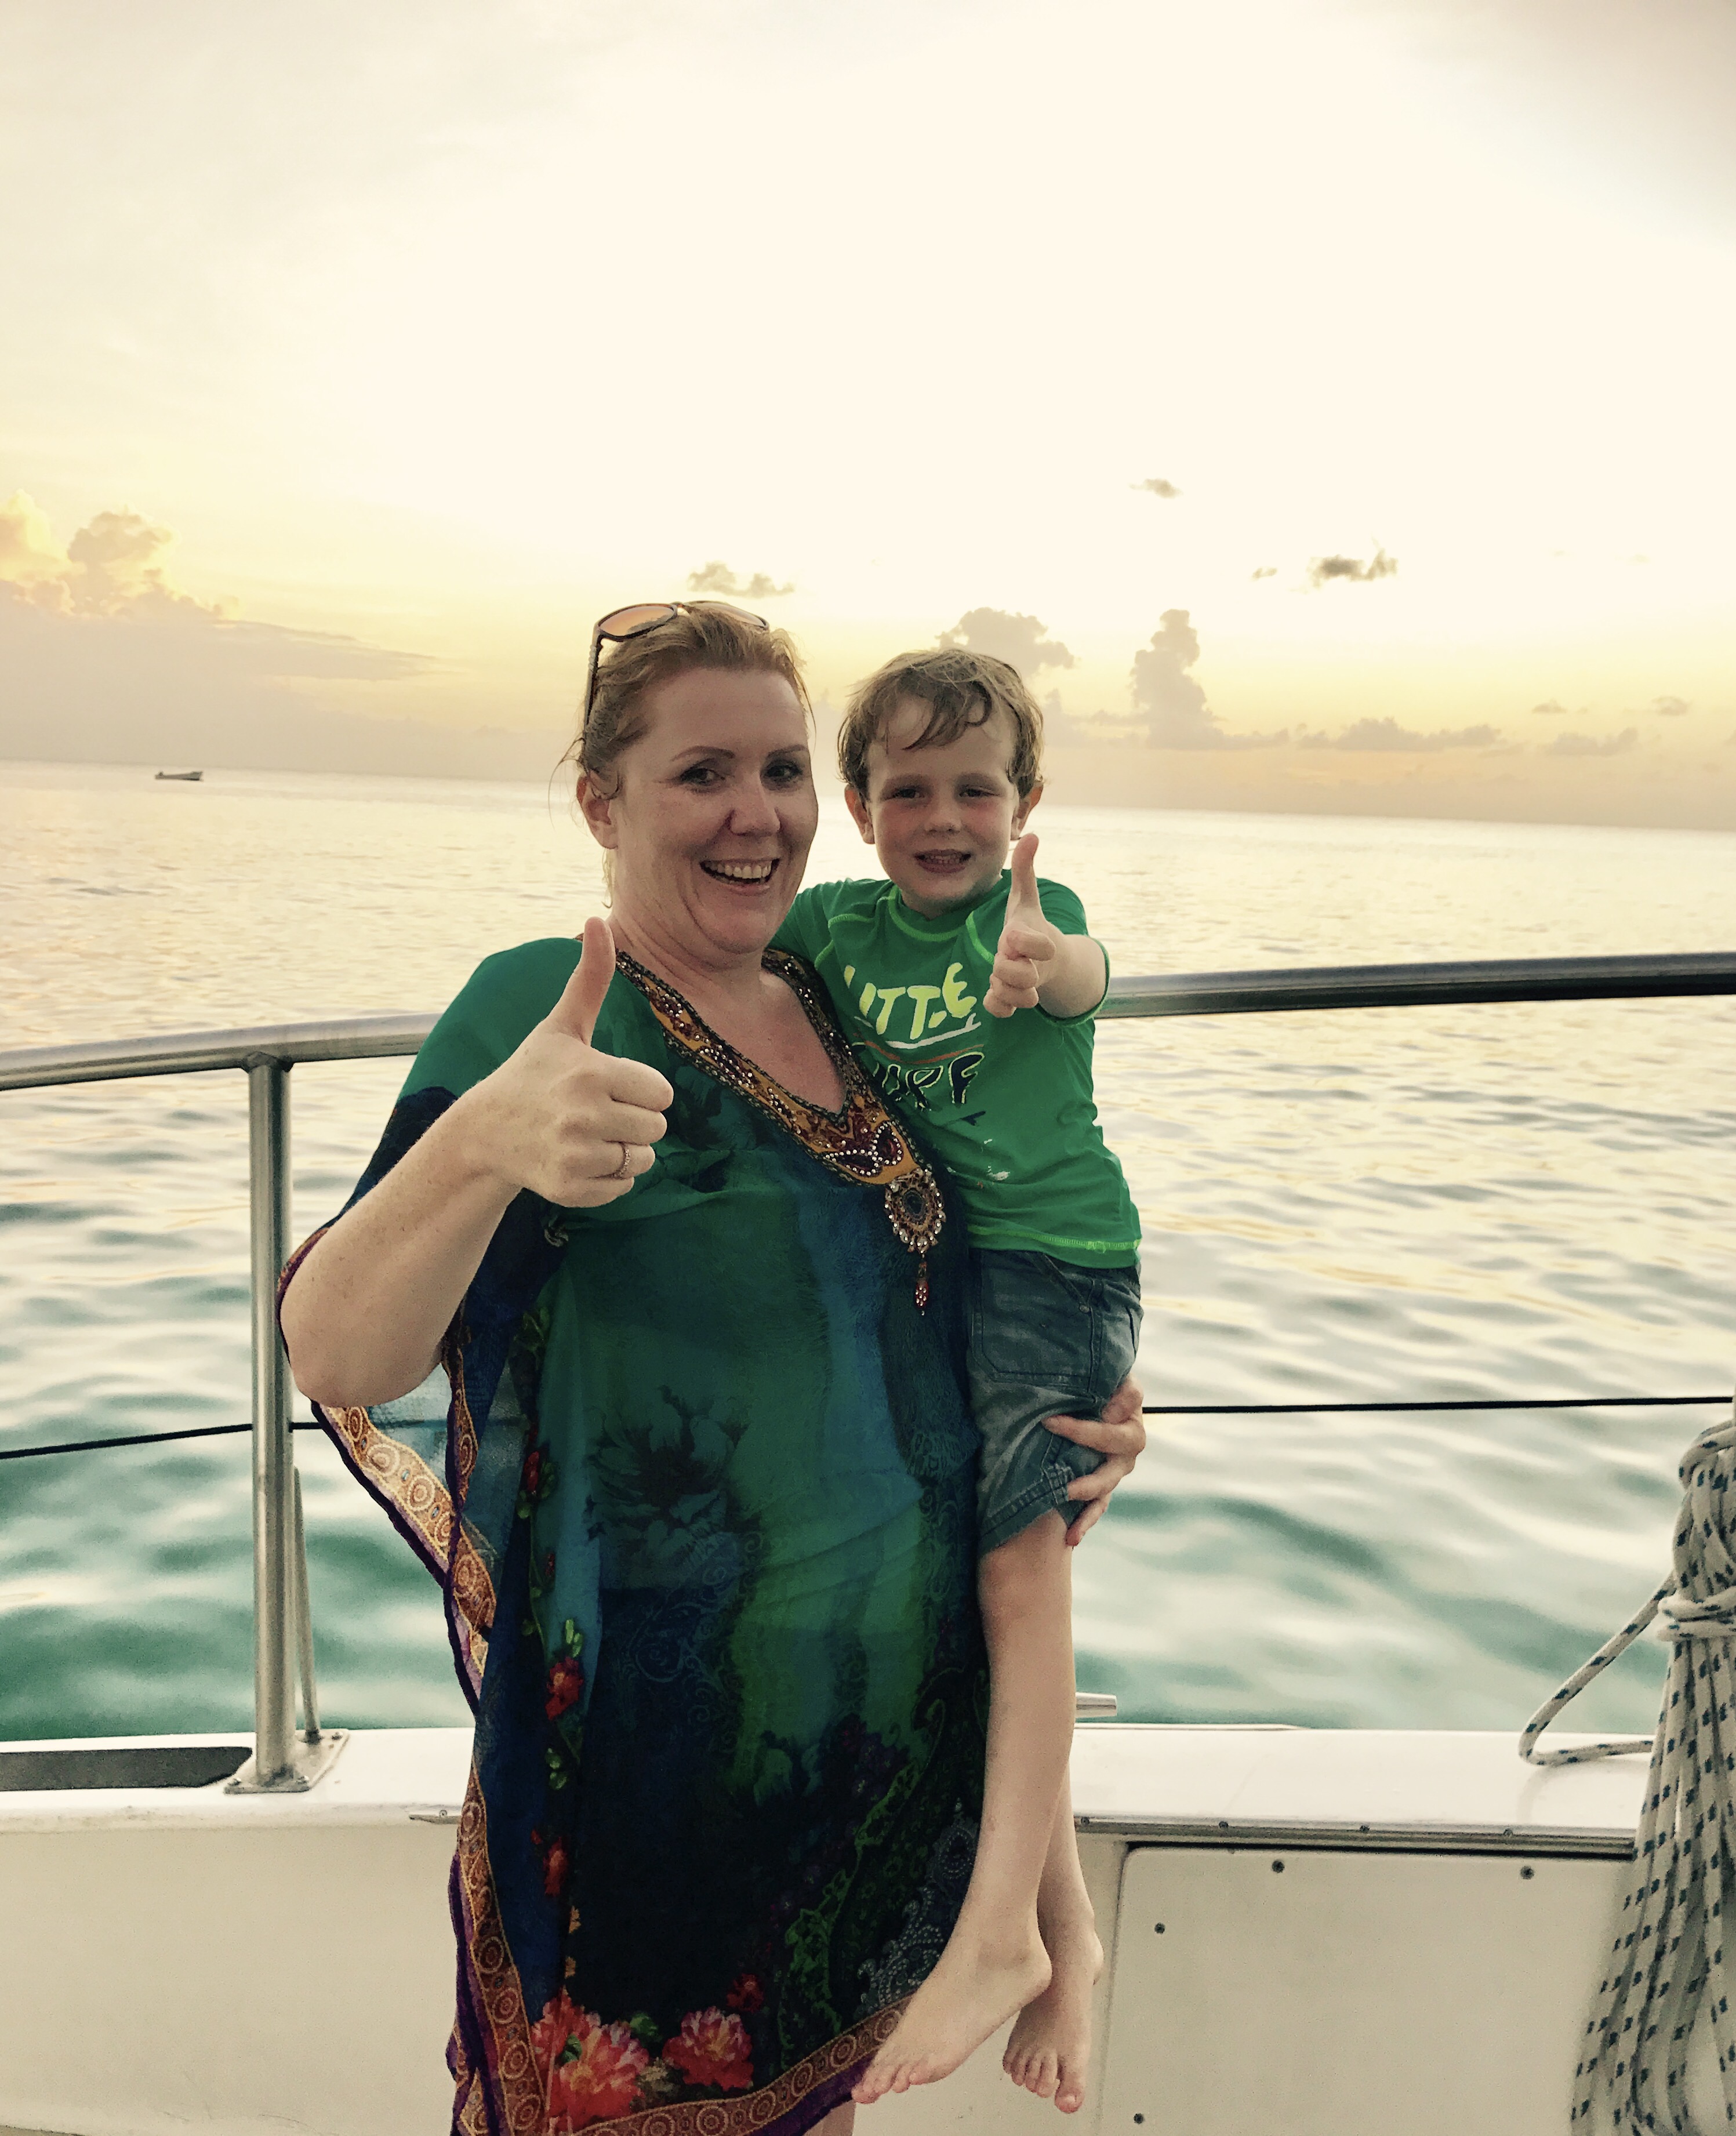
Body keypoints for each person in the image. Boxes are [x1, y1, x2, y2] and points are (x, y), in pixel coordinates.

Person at [278, 602, 1146, 2136]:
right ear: (600, 803)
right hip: (659, 1758)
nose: (758, 815)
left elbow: (941, 1280)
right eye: (702, 774)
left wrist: (1078, 1419)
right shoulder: (546, 1001)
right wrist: (481, 1144)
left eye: (782, 769)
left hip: (885, 1735)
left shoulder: (832, 991)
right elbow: (340, 1347)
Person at [773, 649, 1142, 2118]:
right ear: (860, 806)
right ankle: (1065, 1931)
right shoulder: (833, 928)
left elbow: (1085, 976)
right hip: (943, 1272)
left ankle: (1004, 1937)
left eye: (976, 790)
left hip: (1057, 1268)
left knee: (1017, 1578)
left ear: (1024, 803)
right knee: (970, 1595)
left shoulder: (1034, 921)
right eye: (908, 790)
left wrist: (1050, 968)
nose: (943, 818)